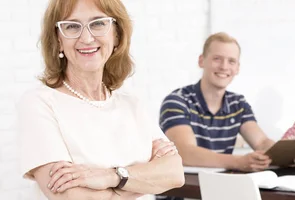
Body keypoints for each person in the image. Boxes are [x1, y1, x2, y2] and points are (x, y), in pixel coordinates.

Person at [18, 0, 184, 199]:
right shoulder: (39, 103)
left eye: (98, 23)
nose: (87, 38)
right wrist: (147, 181)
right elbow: (72, 197)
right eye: (72, 26)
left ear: (116, 35)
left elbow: (175, 173)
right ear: (58, 39)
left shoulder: (131, 103)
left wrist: (111, 177)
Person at [158, 32, 295, 173]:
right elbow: (184, 152)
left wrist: (290, 156)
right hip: (184, 192)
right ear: (201, 61)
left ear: (237, 68)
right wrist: (237, 162)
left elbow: (262, 142)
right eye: (217, 58)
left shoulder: (238, 104)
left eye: (231, 61)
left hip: (218, 188)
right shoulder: (177, 101)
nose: (224, 66)